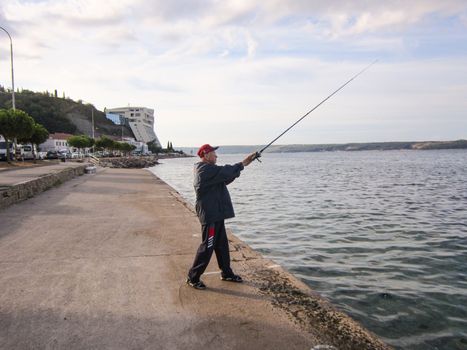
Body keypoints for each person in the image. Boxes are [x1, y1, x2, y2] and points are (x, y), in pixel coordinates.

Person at [186, 144, 257, 290]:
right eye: (214, 153)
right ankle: (193, 277)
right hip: (210, 215)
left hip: (217, 214)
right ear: (205, 155)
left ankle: (226, 273)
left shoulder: (210, 171)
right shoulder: (204, 169)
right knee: (208, 246)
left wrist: (245, 164)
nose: (216, 156)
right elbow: (225, 171)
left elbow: (226, 177)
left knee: (222, 244)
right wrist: (244, 162)